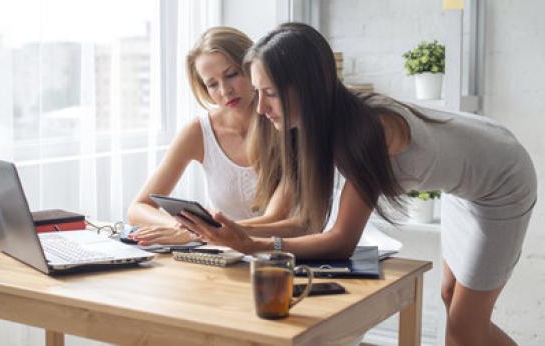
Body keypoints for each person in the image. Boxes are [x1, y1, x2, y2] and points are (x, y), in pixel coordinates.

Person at [177, 23, 537, 345]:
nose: (259, 109)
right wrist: (223, 234)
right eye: (259, 93)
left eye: (269, 93)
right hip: (466, 179)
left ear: (306, 87)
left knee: (463, 332)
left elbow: (341, 240)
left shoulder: (367, 132)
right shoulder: (316, 124)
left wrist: (250, 243)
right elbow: (306, 222)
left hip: (500, 181)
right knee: (450, 297)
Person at [127, 26, 293, 246]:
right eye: (212, 84)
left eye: (232, 75)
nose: (225, 91)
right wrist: (183, 228)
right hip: (222, 257)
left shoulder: (286, 123)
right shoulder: (199, 131)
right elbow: (138, 208)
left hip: (288, 257)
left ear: (253, 68)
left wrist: (199, 232)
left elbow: (276, 219)